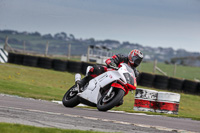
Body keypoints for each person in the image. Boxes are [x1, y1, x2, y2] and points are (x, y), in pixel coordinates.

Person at [76, 49, 144, 92]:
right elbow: (110, 59)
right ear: (131, 56)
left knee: (120, 101)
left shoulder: (134, 71)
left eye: (138, 61)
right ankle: (81, 83)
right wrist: (112, 64)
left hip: (119, 80)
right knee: (98, 69)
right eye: (136, 59)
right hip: (110, 72)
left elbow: (133, 79)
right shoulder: (121, 57)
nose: (136, 62)